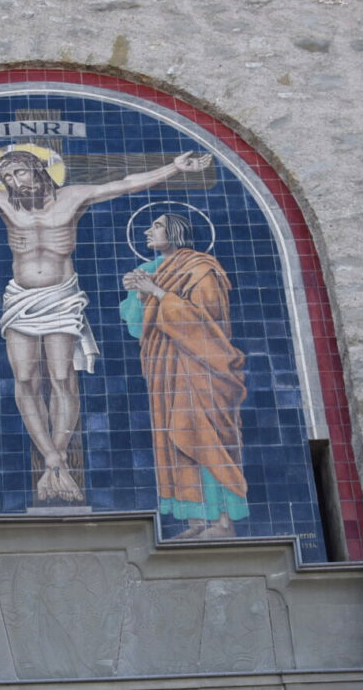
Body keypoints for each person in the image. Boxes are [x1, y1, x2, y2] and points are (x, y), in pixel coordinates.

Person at [0, 147, 211, 502]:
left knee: (63, 377)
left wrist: (172, 168)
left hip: (61, 297)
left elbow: (125, 184)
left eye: (20, 173)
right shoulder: (4, 203)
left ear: (37, 168)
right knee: (25, 379)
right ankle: (52, 458)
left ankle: (58, 452)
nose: (15, 182)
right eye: (8, 178)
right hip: (21, 299)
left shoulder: (73, 197)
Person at [122, 213, 248, 539]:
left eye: (157, 226)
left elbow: (207, 323)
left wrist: (158, 293)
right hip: (166, 369)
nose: (149, 231)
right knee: (173, 442)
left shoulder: (202, 269)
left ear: (176, 232)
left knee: (202, 438)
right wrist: (140, 295)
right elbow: (138, 327)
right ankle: (195, 522)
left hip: (202, 369)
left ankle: (222, 522)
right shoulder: (157, 270)